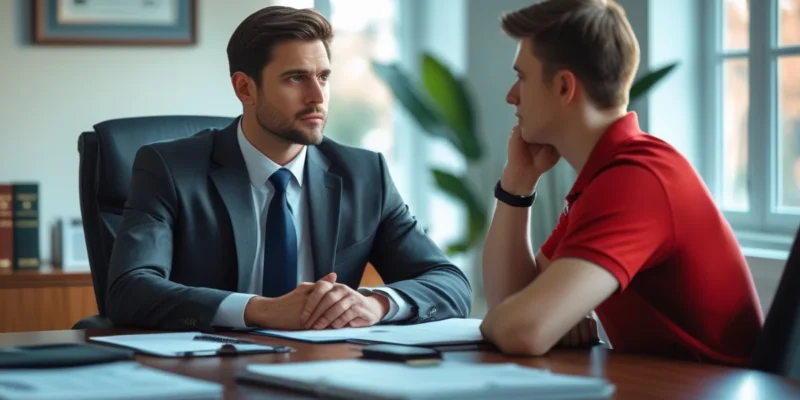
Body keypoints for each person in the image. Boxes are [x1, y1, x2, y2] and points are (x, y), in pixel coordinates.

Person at [105, 6, 471, 332]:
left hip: (329, 367)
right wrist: (260, 311)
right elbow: (130, 289)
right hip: (212, 368)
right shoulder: (170, 168)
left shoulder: (364, 173)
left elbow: (448, 282)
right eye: (296, 78)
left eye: (324, 77)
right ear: (245, 88)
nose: (317, 96)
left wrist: (375, 304)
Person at [479, 0, 763, 366]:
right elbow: (513, 303)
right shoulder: (605, 175)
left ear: (564, 87)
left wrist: (520, 319)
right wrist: (517, 184)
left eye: (522, 77)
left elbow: (522, 328)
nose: (511, 95)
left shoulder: (637, 179)